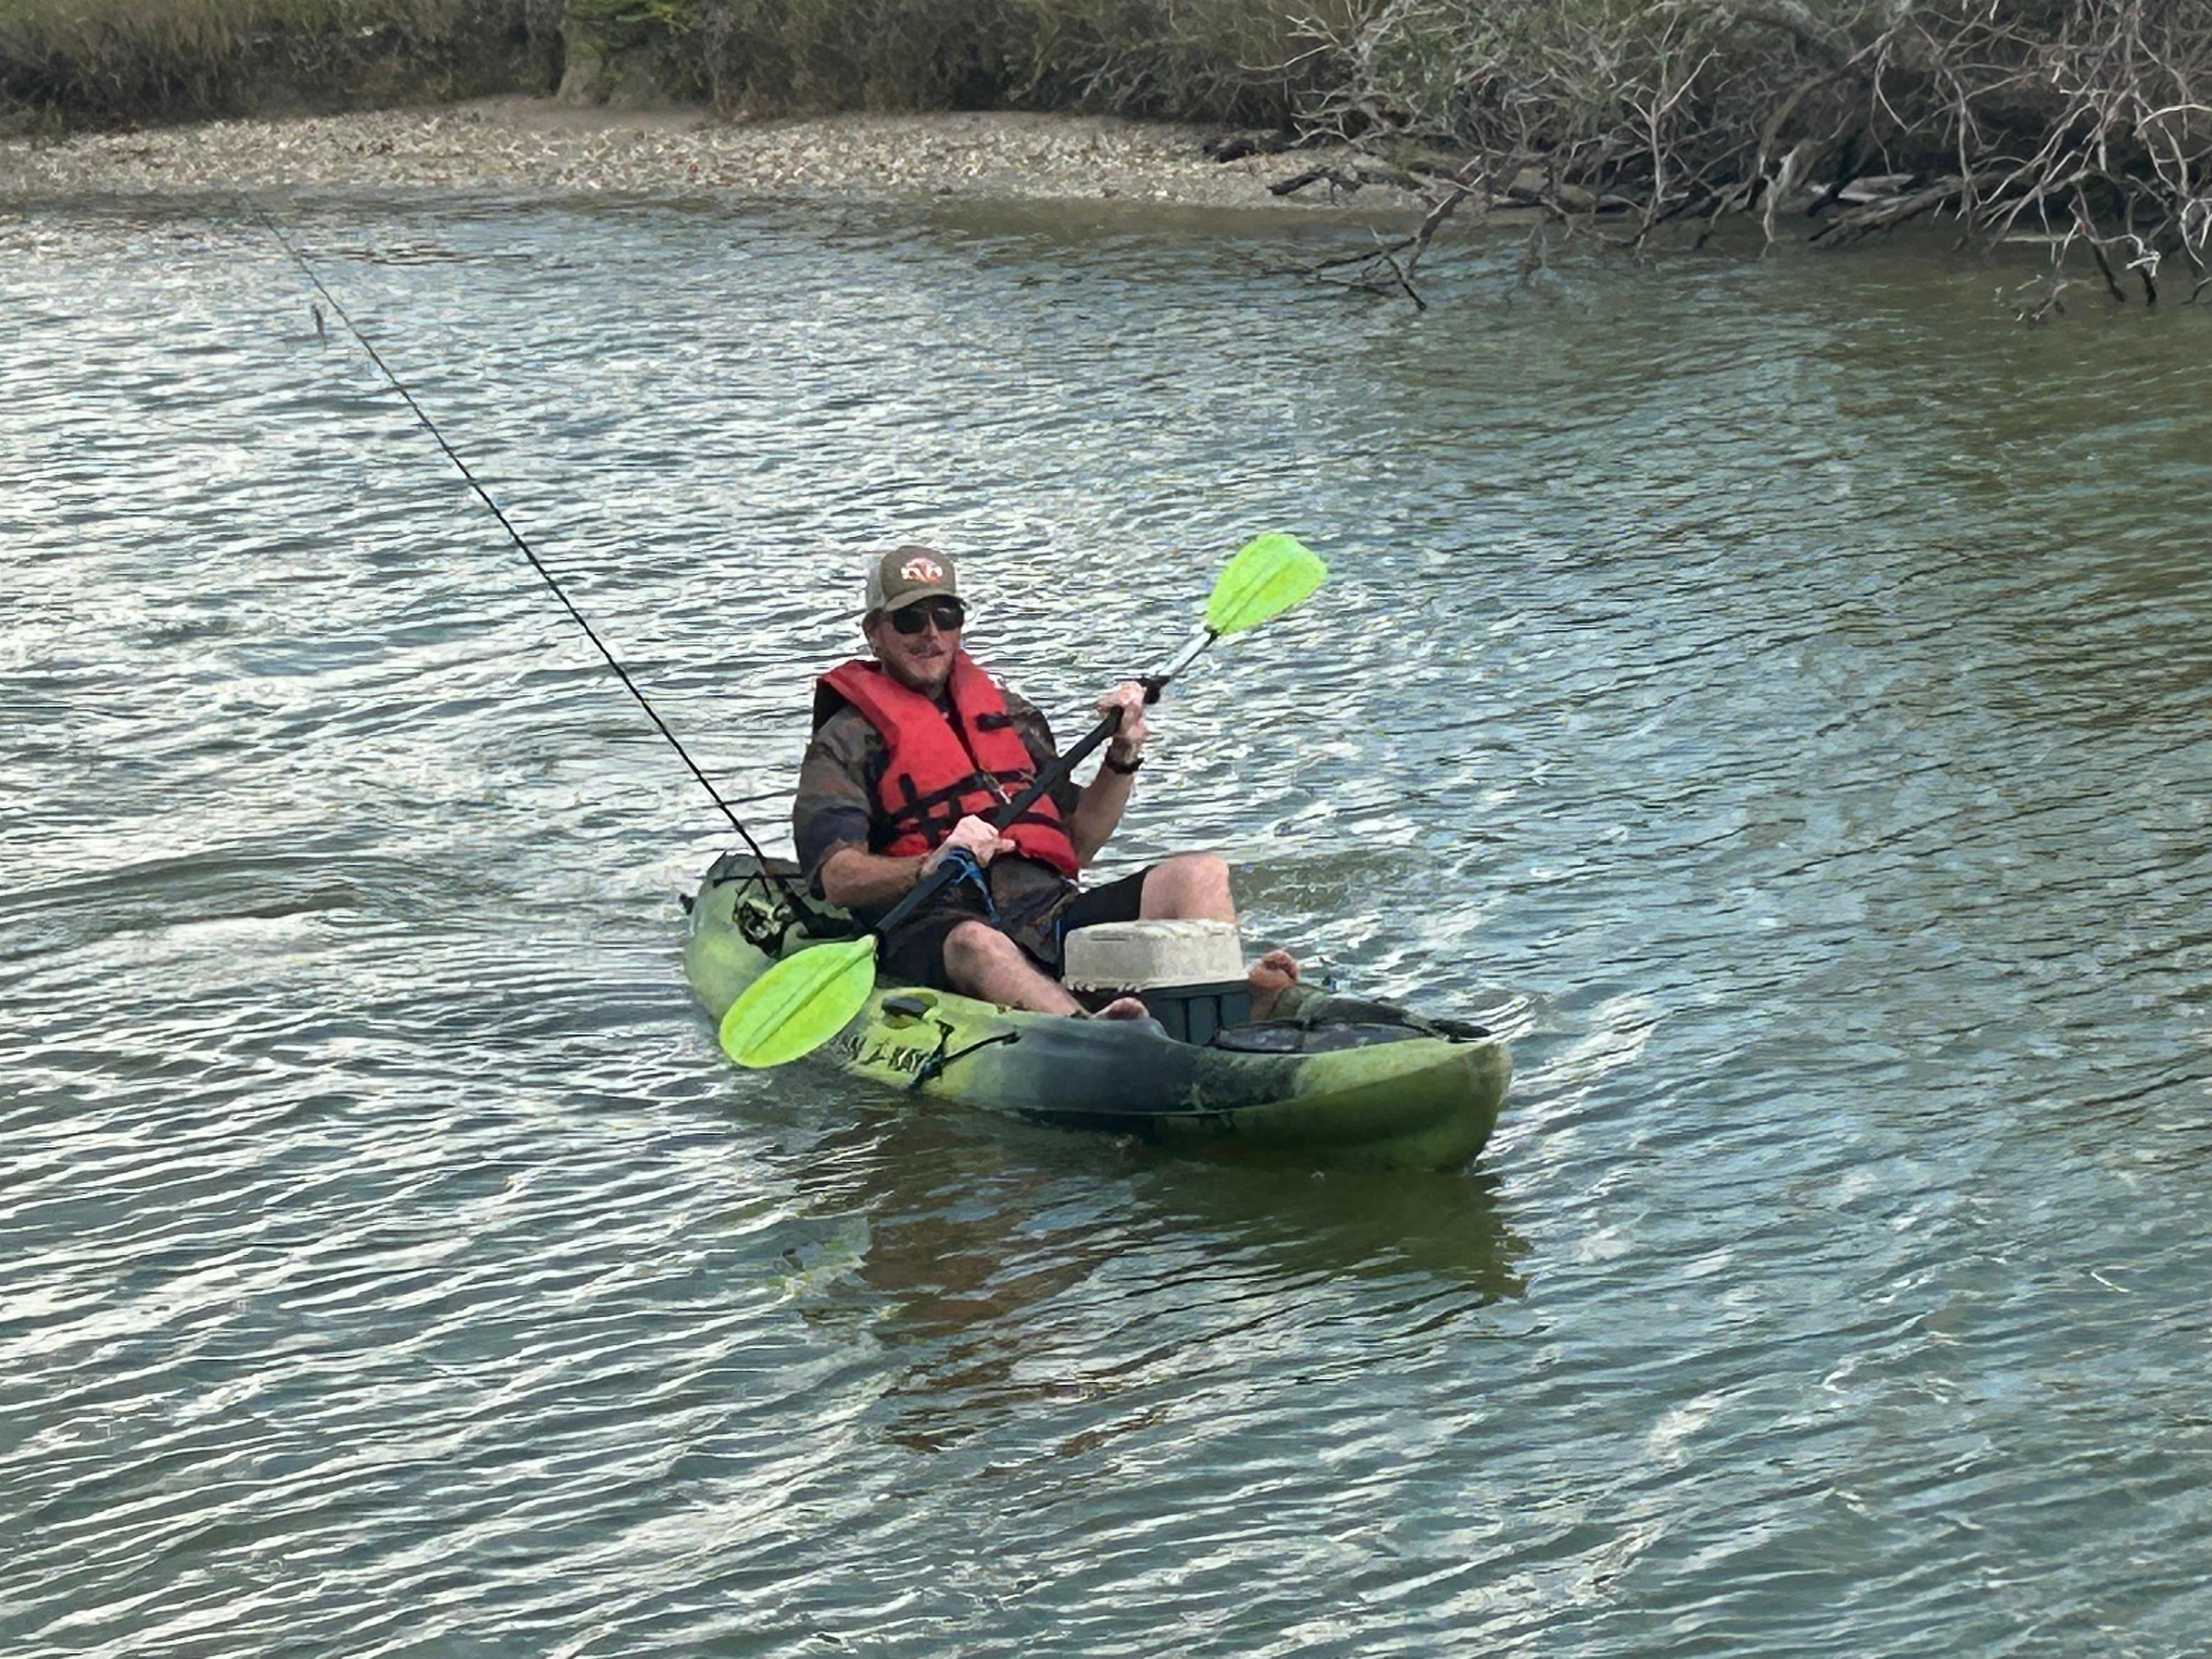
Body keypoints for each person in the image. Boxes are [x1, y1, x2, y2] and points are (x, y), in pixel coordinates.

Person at [792, 544, 1296, 1021]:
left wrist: (1122, 755)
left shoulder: (1013, 718)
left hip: (1047, 913)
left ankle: (1228, 1003)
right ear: (874, 632)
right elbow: (836, 878)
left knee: (1201, 873)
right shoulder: (845, 742)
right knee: (979, 943)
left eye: (946, 616)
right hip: (935, 927)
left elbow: (1080, 844)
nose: (932, 634)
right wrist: (930, 864)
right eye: (910, 619)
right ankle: (1097, 1035)